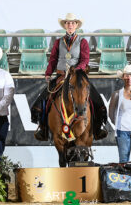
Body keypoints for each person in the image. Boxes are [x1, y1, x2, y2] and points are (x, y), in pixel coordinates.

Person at [30, 13, 108, 141]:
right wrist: (48, 73)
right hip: (61, 76)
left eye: (73, 23)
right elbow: (53, 59)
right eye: (68, 23)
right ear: (65, 25)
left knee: (95, 98)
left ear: (76, 25)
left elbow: (85, 60)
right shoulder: (58, 42)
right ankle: (43, 128)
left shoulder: (83, 42)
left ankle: (97, 127)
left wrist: (75, 70)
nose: (70, 25)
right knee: (43, 99)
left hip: (77, 77)